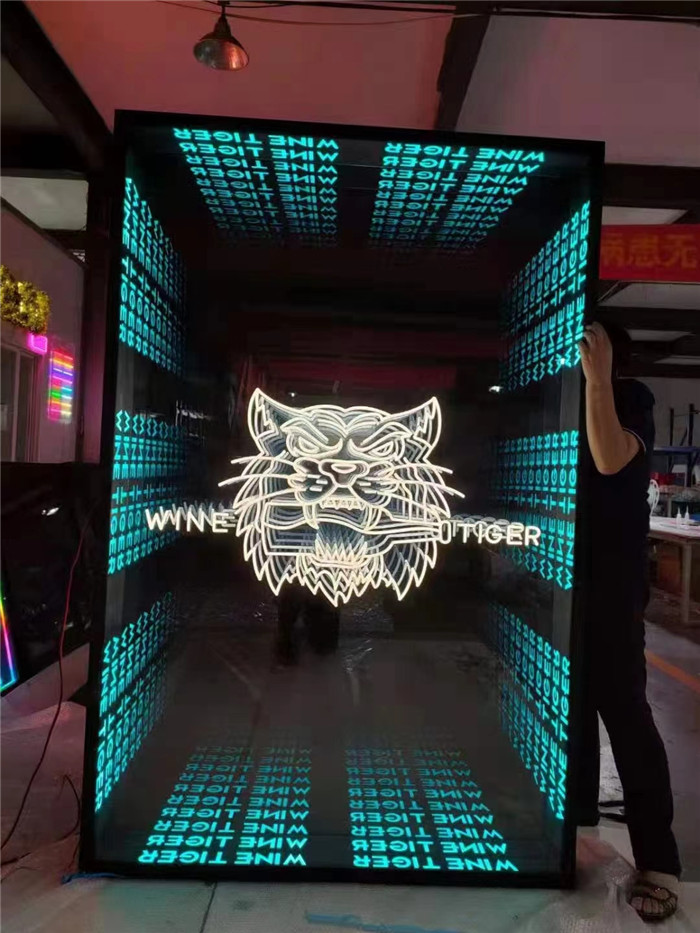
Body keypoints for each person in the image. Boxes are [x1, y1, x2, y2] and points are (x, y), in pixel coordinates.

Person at [578, 321, 680, 922]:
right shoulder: (563, 402)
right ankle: (573, 833)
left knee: (624, 713)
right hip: (560, 585)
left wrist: (599, 379)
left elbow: (609, 457)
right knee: (565, 713)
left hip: (611, 590)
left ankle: (659, 862)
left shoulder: (629, 398)